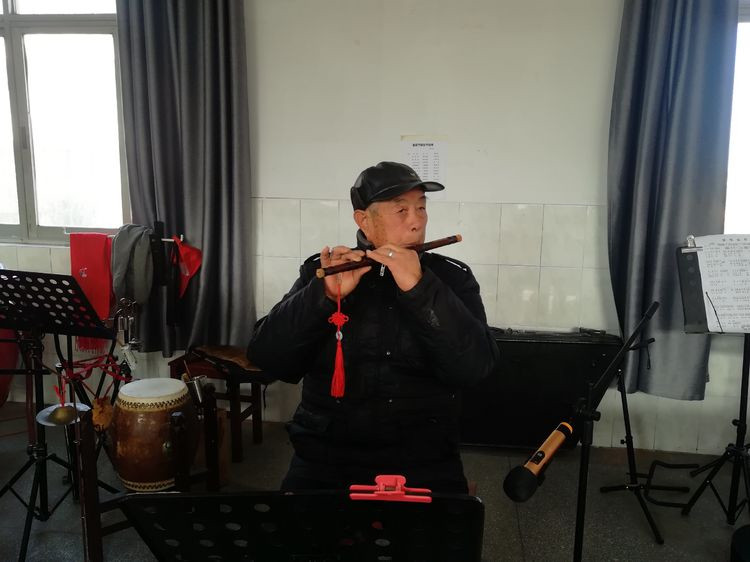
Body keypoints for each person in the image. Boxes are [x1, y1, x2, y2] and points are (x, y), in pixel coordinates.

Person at [247, 161, 499, 493]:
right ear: (363, 220)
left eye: (421, 208)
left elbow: (475, 368)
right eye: (401, 210)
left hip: (425, 460)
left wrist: (420, 288)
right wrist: (322, 297)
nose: (417, 221)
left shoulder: (452, 278)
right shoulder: (322, 272)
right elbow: (268, 358)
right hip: (325, 459)